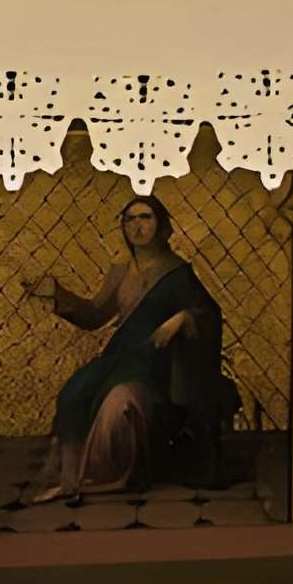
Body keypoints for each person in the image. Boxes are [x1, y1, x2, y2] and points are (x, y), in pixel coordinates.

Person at [24, 195, 233, 504]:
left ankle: (99, 478)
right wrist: (58, 295)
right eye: (131, 219)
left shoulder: (176, 272)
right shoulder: (121, 271)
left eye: (146, 217)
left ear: (160, 225)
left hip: (158, 365)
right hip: (121, 357)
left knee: (117, 402)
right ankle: (68, 479)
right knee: (74, 391)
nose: (138, 226)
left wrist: (182, 318)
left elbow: (208, 313)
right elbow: (96, 314)